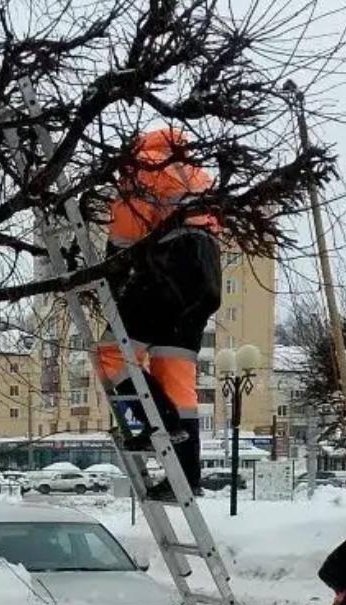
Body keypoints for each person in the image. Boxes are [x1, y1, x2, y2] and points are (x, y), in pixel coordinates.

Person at [98, 127, 222, 501]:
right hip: (206, 280)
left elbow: (124, 237)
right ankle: (184, 478)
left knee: (112, 352)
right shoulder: (199, 174)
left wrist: (107, 275)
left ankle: (153, 425)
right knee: (177, 378)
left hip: (170, 269)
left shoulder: (143, 168)